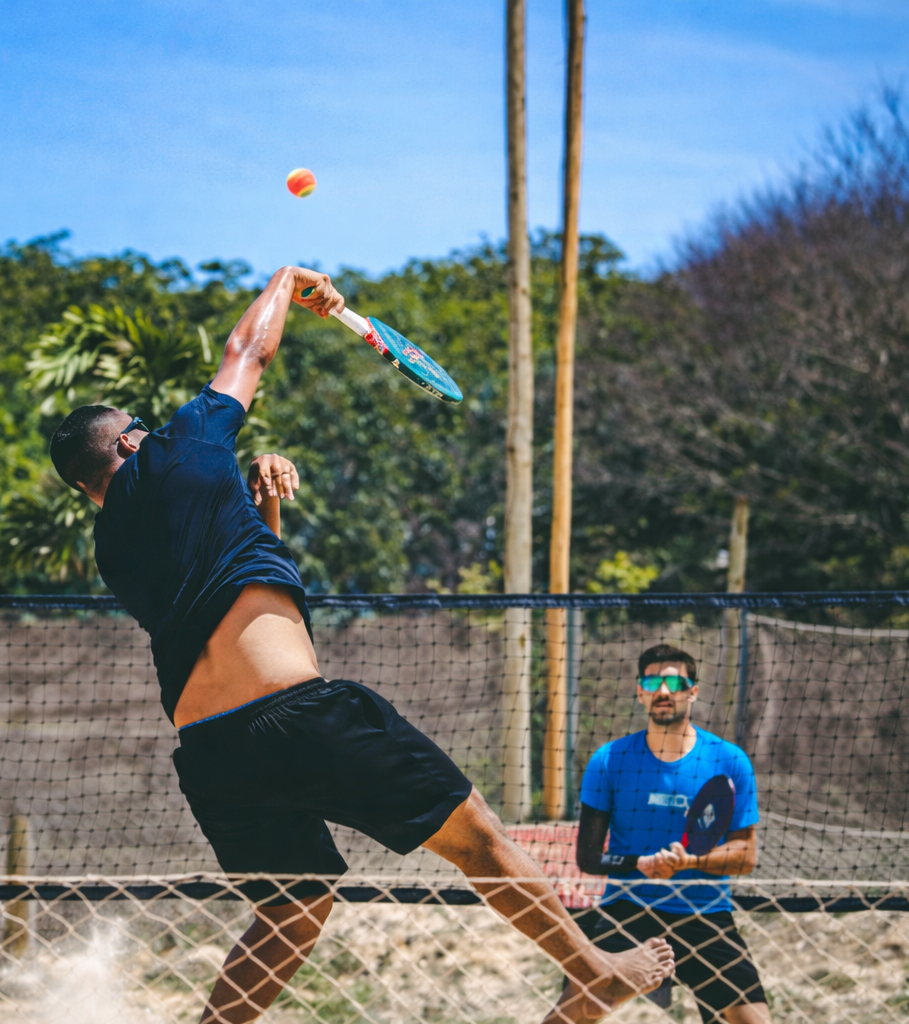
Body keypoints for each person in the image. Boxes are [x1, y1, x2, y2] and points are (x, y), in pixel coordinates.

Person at [47, 265, 674, 1024]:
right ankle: (595, 971)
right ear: (128, 442)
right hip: (299, 718)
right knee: (478, 837)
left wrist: (263, 506)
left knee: (290, 915)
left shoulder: (115, 546)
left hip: (215, 754)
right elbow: (248, 349)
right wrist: (286, 280)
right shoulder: (173, 450)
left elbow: (238, 586)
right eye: (141, 427)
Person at [564, 643, 771, 1024]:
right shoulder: (608, 760)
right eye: (652, 681)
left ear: (693, 690)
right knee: (579, 1010)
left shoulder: (729, 761)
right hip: (625, 911)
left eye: (675, 681)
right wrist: (639, 863)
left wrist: (688, 863)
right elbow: (588, 856)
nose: (663, 691)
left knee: (754, 1021)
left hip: (704, 914)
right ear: (639, 690)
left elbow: (745, 856)